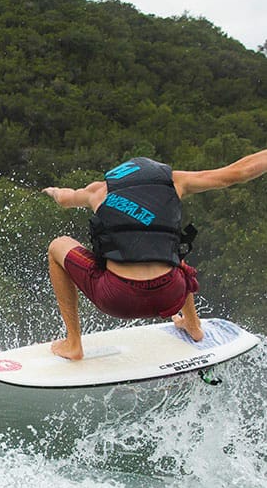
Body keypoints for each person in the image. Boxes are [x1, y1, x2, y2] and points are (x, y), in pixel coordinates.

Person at [43, 149, 267, 360]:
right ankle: (193, 325)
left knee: (57, 246)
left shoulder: (99, 190)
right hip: (170, 293)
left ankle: (73, 344)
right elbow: (238, 173)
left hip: (118, 298)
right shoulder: (176, 182)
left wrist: (53, 191)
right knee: (171, 248)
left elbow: (65, 198)